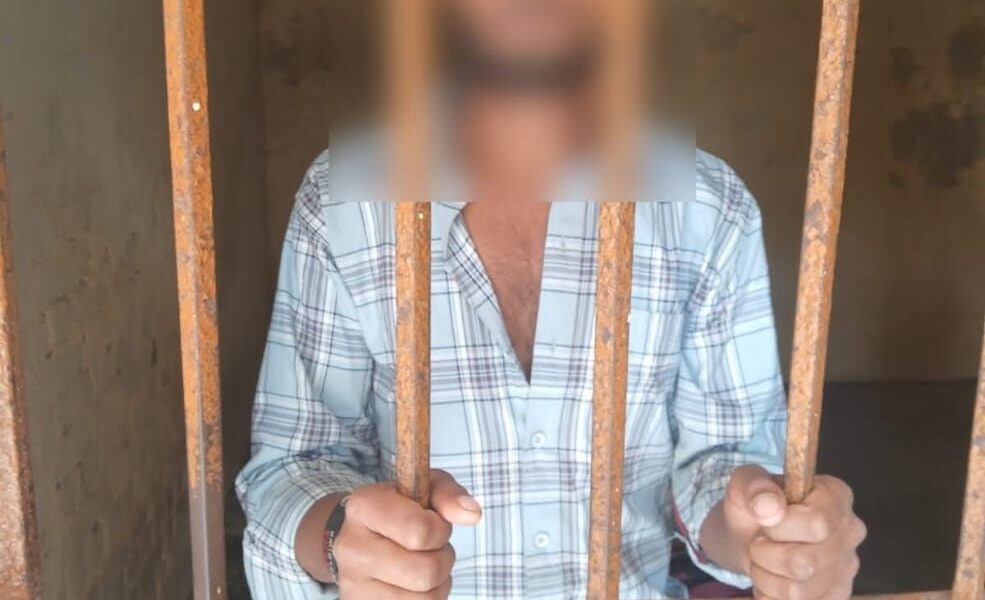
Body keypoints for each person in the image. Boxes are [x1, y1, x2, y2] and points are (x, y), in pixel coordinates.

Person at [236, 0, 867, 598]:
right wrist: (343, 537)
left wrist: (766, 536)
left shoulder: (708, 208)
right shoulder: (346, 202)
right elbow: (295, 465)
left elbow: (723, 464)